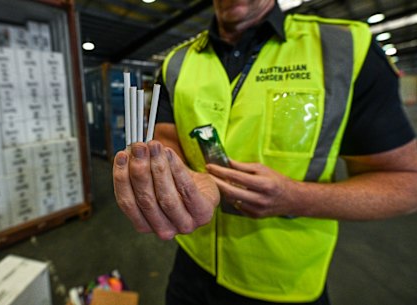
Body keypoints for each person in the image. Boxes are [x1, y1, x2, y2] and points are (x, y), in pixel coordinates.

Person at [112, 0, 417, 304]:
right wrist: (179, 178)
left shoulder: (342, 48)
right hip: (193, 266)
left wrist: (296, 198)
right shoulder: (178, 62)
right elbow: (167, 138)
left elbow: (406, 182)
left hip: (284, 283)